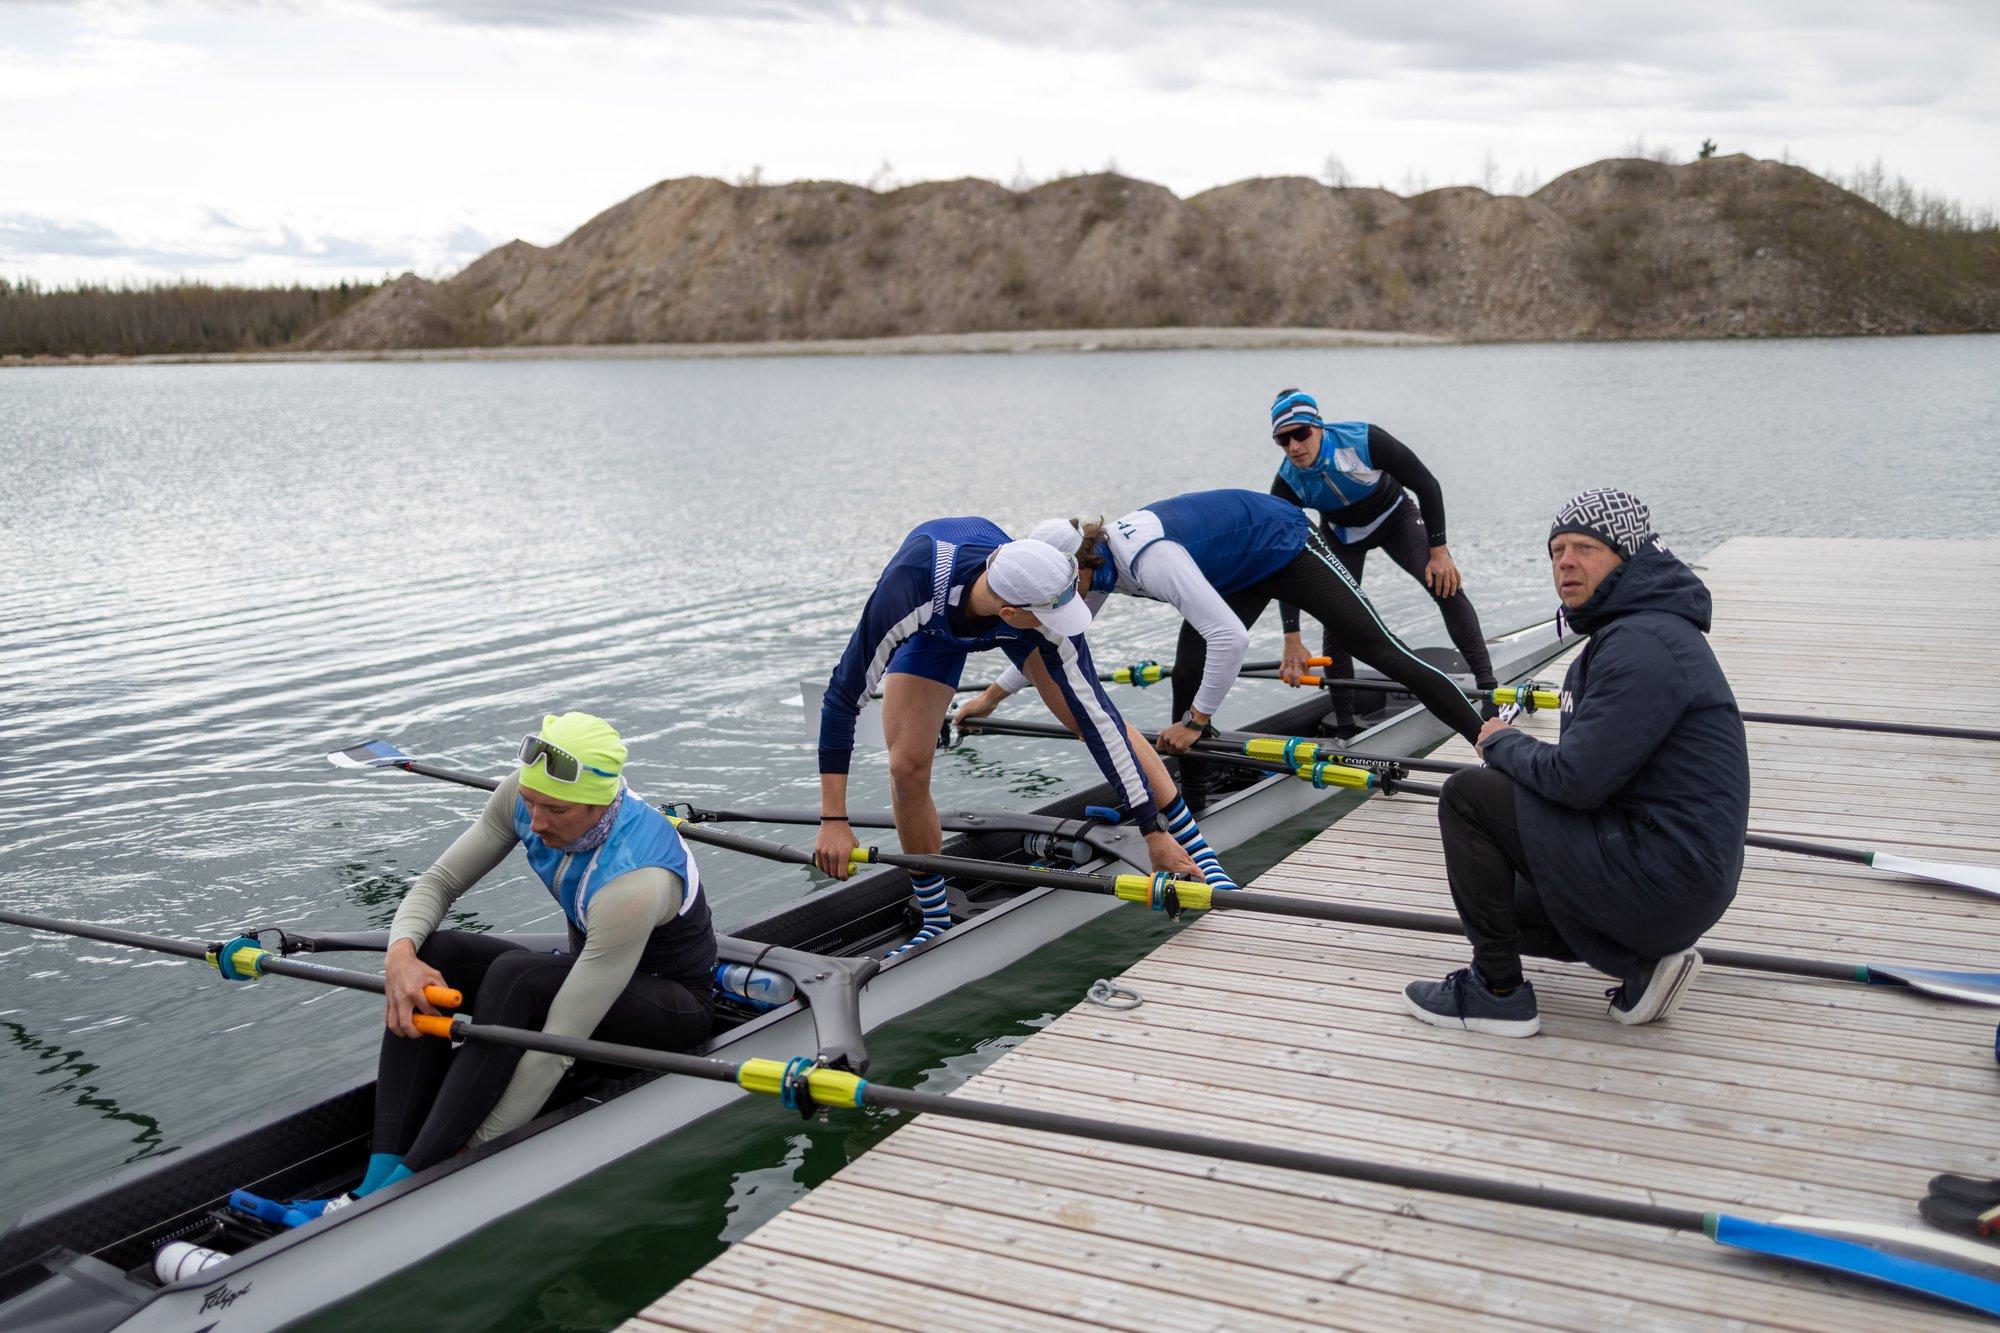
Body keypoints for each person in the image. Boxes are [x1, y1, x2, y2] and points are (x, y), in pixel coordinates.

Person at [233, 713, 717, 1224]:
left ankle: (408, 1183)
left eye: (555, 809)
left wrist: (472, 1159)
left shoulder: (635, 880)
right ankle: (378, 1177)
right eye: (531, 803)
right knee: (435, 952)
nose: (538, 820)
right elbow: (439, 884)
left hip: (675, 1009)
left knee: (517, 976)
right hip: (591, 971)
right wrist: (399, 956)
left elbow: (558, 1050)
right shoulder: (522, 796)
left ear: (603, 803)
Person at [1404, 490, 1750, 1037]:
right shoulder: (1635, 631)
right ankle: (1643, 964)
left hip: (1667, 877)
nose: (1565, 561)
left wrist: (1499, 741)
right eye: (1557, 550)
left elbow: (1576, 779)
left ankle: (1497, 993)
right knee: (1502, 903)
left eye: (1586, 548)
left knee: (1470, 795)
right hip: (1673, 875)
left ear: (1627, 557)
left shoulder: (1642, 643)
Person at [950, 490, 1486, 817]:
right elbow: (1055, 644)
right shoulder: (1090, 565)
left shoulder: (1152, 560)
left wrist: (1196, 718)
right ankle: (1194, 796)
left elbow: (1233, 639)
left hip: (1289, 545)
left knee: (1383, 650)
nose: (1061, 595)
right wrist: (992, 697)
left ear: (1082, 561)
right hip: (1238, 567)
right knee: (1188, 667)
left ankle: (1488, 741)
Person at [814, 518, 1209, 946]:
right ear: (1010, 614)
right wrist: (834, 818)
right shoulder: (905, 593)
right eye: (1053, 616)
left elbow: (1100, 722)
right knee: (905, 766)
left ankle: (1196, 849)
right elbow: (842, 699)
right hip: (933, 626)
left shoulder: (1042, 593)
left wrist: (1152, 830)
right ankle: (935, 914)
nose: (1064, 621)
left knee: (1088, 719)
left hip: (1009, 607)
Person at [1267, 388, 1499, 736]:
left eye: (1301, 433)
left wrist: (1439, 552)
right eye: (1284, 440)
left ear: (1319, 426)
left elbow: (1427, 484)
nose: (1295, 447)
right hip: (1342, 534)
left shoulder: (1363, 439)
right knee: (1338, 621)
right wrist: (1291, 635)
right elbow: (1285, 558)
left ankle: (1489, 690)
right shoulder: (1287, 483)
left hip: (1396, 518)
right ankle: (1345, 723)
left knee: (1444, 585)